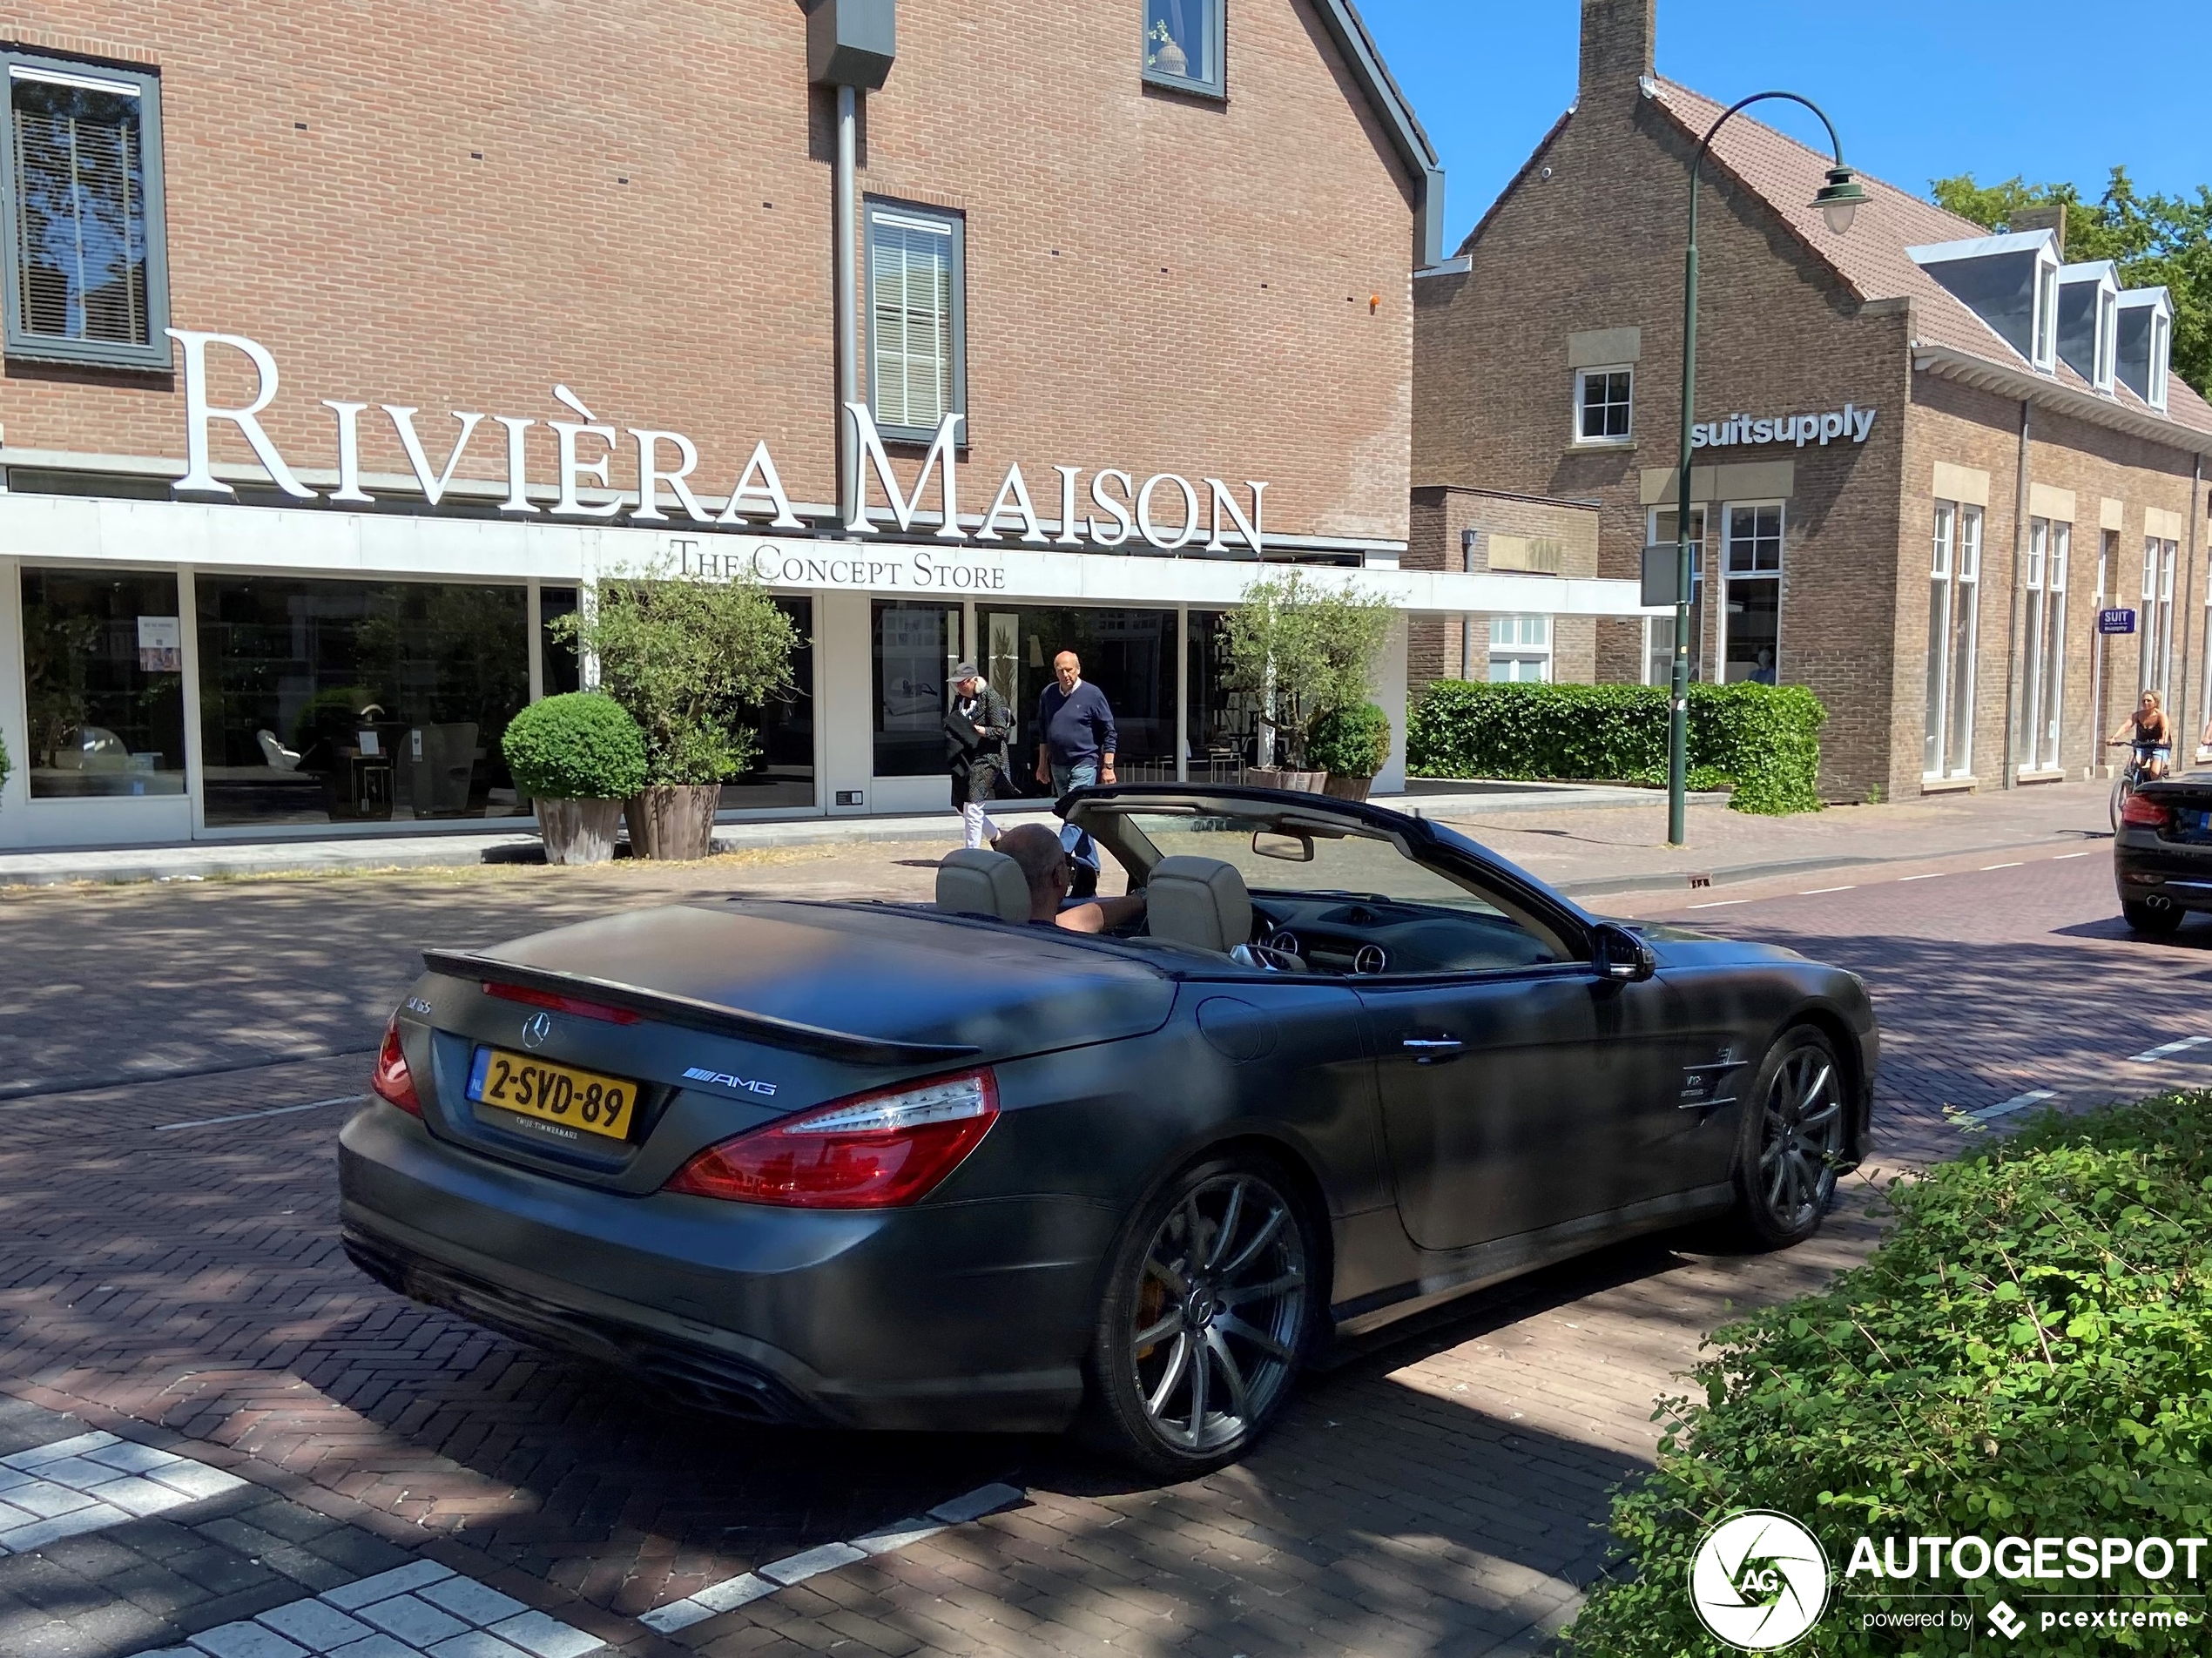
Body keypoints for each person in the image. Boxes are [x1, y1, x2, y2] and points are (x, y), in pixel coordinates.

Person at [995, 823, 1144, 934]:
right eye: (1067, 865)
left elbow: (1069, 922)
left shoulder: (982, 928)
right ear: (1058, 876)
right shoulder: (1073, 952)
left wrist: (1138, 901)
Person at [944, 664, 1011, 849]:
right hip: (965, 756)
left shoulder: (992, 698)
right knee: (961, 806)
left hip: (987, 756)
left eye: (962, 683)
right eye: (956, 683)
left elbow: (1001, 732)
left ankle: (971, 853)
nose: (958, 687)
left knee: (973, 806)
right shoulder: (960, 699)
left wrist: (978, 731)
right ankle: (996, 835)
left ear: (974, 680)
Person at [1034, 650, 1117, 796]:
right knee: (1066, 809)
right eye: (1061, 671)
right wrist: (1042, 765)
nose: (1065, 675)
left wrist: (1108, 767)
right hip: (1058, 764)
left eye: (1069, 670)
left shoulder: (1093, 694)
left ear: (1078, 669)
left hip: (1084, 762)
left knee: (1075, 808)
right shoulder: (1048, 694)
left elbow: (1109, 731)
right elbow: (1044, 733)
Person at [2108, 690, 2175, 779]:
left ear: (2156, 702)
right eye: (2143, 701)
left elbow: (2165, 729)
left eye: (2149, 700)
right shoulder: (2137, 715)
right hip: (2142, 745)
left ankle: (2153, 789)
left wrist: (2164, 739)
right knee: (2132, 768)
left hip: (2159, 746)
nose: (2145, 703)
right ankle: (2130, 789)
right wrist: (2114, 737)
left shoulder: (2160, 716)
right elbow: (2126, 726)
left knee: (2155, 772)